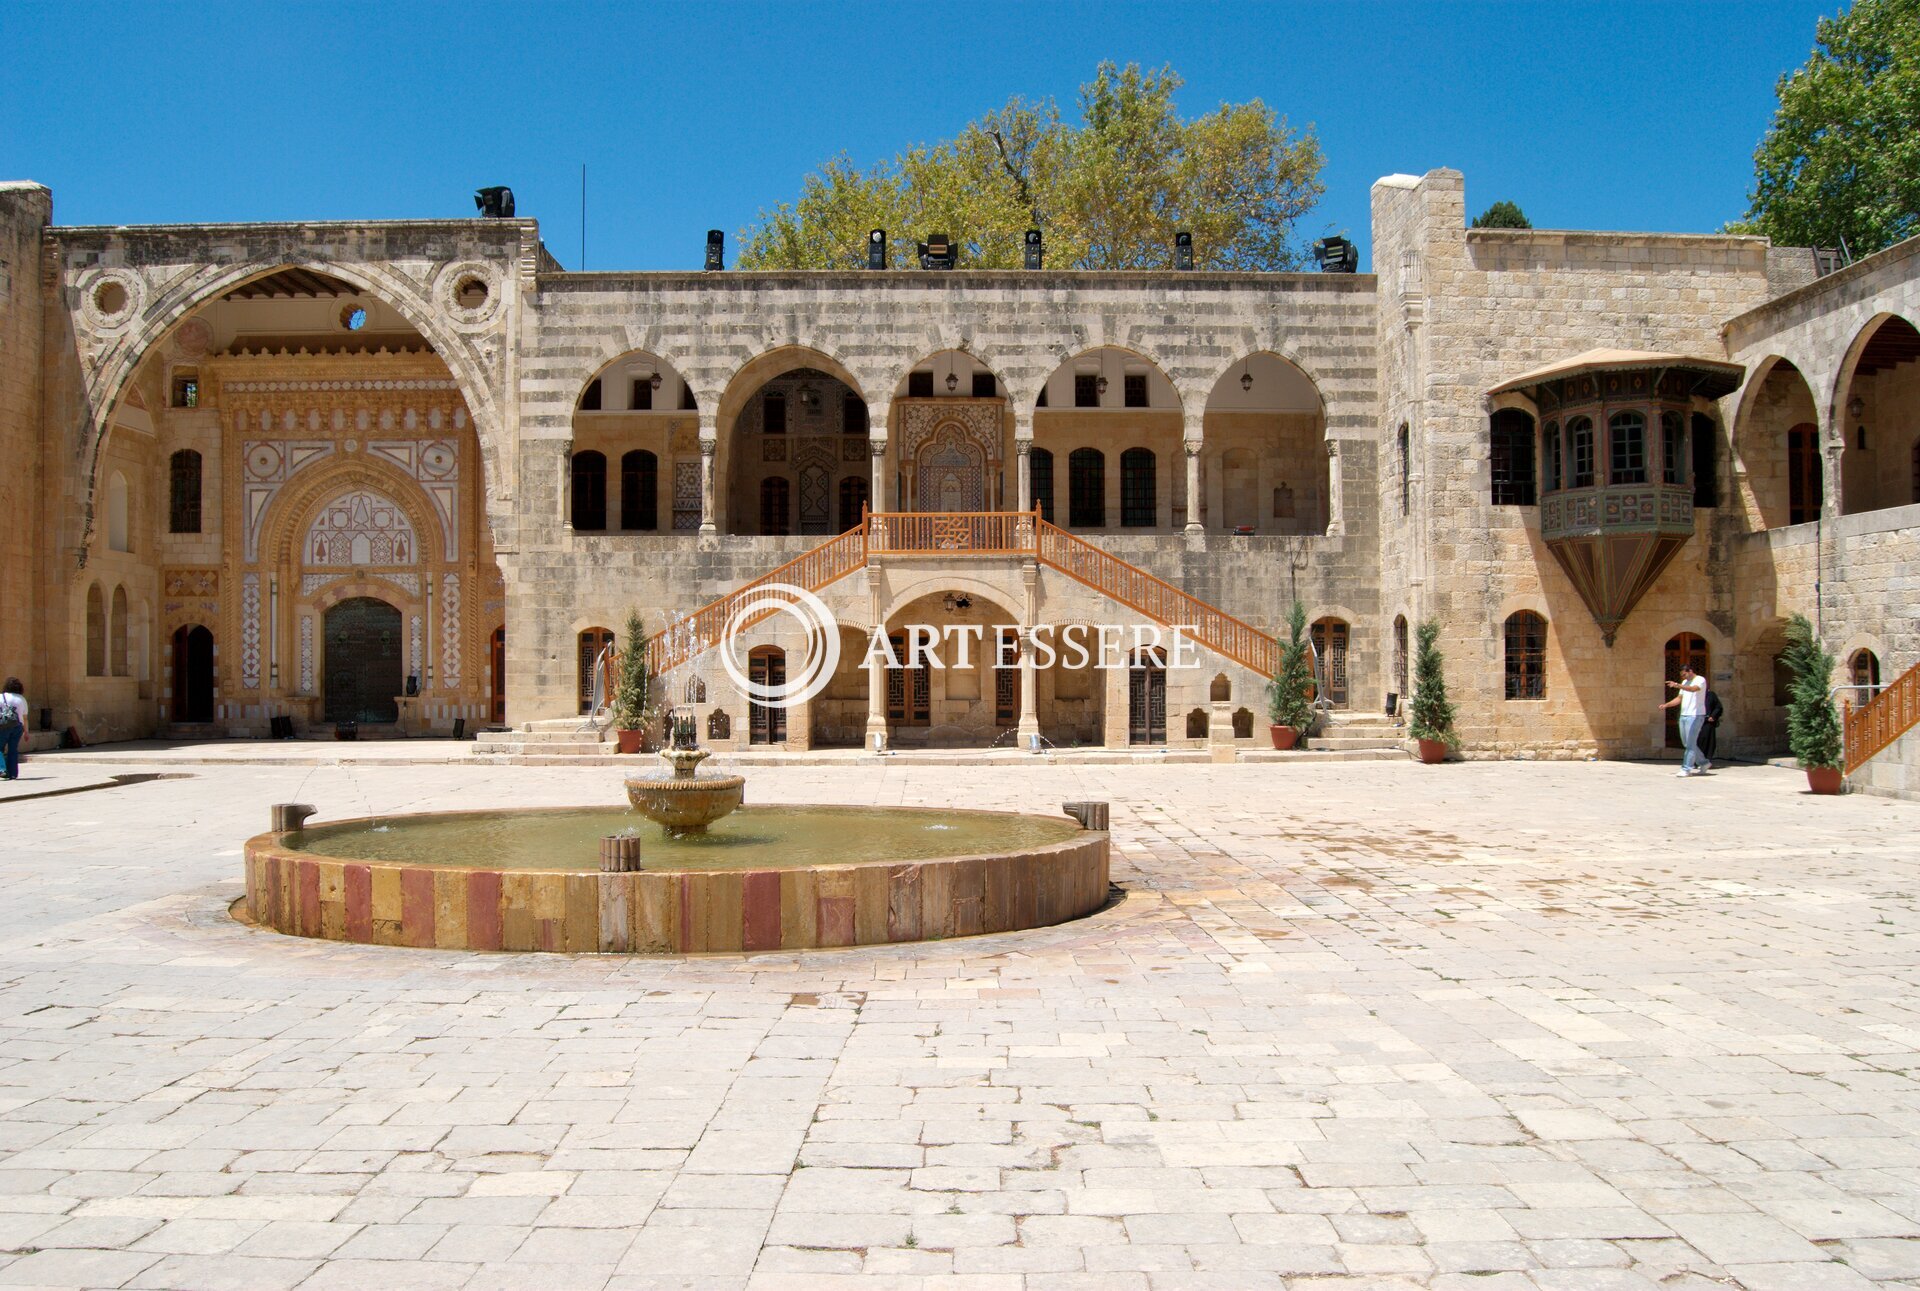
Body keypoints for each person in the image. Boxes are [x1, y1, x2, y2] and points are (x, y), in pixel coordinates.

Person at [1659, 664, 1707, 777]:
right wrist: (1666, 705)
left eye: (1685, 674)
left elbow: (1694, 689)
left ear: (1690, 671)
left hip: (1695, 715)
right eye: (1682, 675)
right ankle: (1704, 763)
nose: (1684, 677)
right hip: (1684, 715)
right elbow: (1679, 699)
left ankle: (1686, 769)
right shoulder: (1685, 683)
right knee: (1687, 743)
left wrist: (1677, 685)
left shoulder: (1700, 680)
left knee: (1690, 744)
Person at [0, 678, 25, 782]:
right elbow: (25, 717)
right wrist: (27, 732)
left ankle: (2, 770)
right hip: (18, 726)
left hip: (4, 725)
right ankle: (13, 773)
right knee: (13, 750)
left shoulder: (1, 697)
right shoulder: (21, 699)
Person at [1698, 685, 1725, 771]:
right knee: (1696, 741)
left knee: (1708, 741)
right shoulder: (1694, 695)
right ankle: (1696, 761)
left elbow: (1718, 707)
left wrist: (1713, 716)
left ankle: (1706, 761)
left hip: (1707, 722)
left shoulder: (1711, 695)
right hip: (1696, 721)